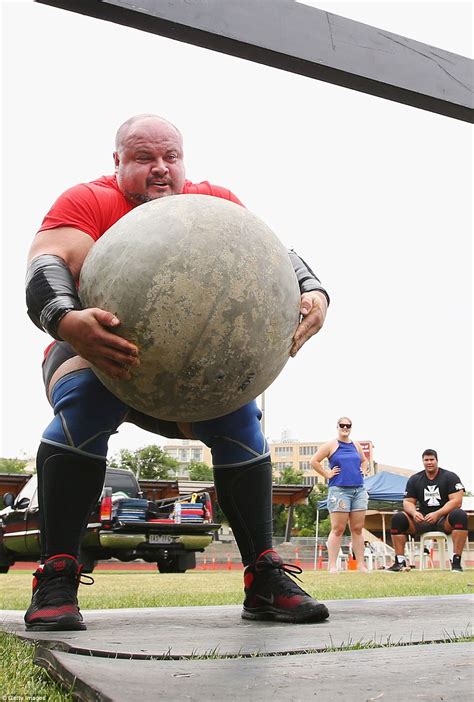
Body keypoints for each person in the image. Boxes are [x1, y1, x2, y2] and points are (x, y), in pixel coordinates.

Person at [24, 114, 331, 630]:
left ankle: (264, 577)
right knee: (86, 403)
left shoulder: (215, 202)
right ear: (118, 161)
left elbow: (276, 256)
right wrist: (68, 319)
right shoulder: (89, 200)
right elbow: (46, 263)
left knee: (240, 420)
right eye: (144, 158)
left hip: (192, 372)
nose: (161, 169)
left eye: (171, 157)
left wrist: (316, 291)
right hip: (97, 350)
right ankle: (56, 574)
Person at [387, 449, 467, 572]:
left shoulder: (450, 477)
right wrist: (414, 513)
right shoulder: (415, 479)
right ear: (423, 461)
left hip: (444, 519)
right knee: (398, 518)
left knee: (460, 515)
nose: (429, 462)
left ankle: (456, 561)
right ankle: (400, 561)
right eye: (426, 460)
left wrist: (438, 513)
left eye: (431, 460)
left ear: (437, 460)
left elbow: (457, 501)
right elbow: (408, 502)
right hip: (423, 519)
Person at [311, 417, 368, 573]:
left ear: (351, 427)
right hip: (339, 490)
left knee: (357, 528)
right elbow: (314, 461)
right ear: (337, 427)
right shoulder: (331, 444)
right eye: (342, 425)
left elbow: (364, 460)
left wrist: (364, 469)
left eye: (348, 425)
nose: (345, 427)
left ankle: (361, 565)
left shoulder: (355, 444)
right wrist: (327, 474)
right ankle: (332, 566)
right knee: (338, 529)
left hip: (358, 490)